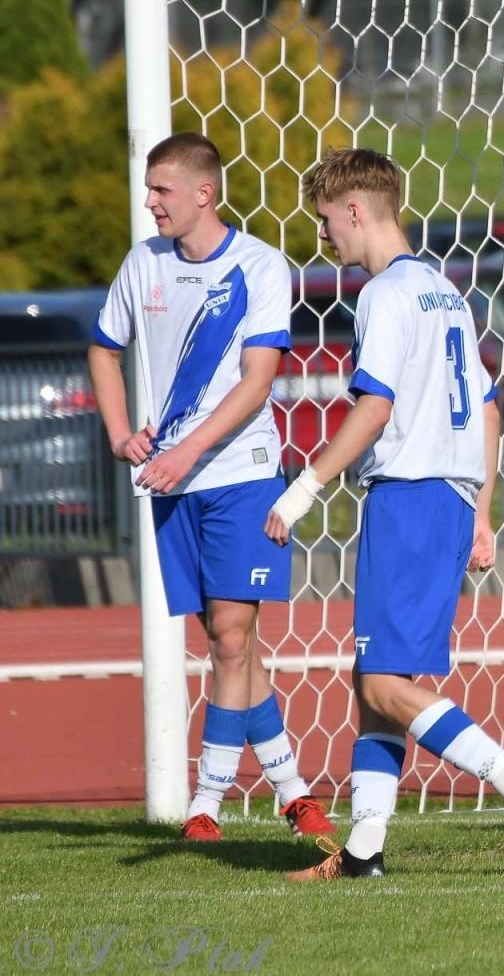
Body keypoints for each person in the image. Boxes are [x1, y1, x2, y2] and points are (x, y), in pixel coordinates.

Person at [267, 148, 504, 879]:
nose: (324, 239)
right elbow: (489, 406)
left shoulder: (388, 295)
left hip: (409, 497)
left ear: (356, 211)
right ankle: (365, 852)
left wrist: (304, 487)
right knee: (374, 677)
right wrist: (484, 511)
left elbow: (376, 407)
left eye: (326, 222)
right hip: (448, 497)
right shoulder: (446, 291)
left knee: (384, 686)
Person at [88, 132, 334, 843]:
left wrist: (186, 452)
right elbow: (104, 349)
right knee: (233, 646)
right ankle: (294, 792)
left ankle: (207, 804)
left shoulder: (259, 266)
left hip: (241, 476)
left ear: (204, 193)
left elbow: (258, 383)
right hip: (171, 483)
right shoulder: (144, 264)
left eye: (160, 190)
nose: (149, 203)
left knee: (230, 640)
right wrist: (119, 433)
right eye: (149, 188)